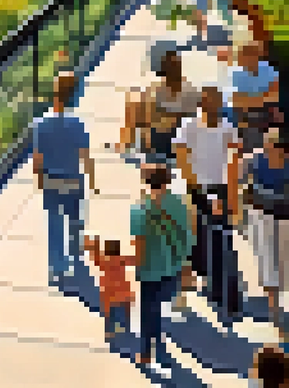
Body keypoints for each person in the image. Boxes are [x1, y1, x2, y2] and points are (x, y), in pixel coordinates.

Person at [175, 86, 244, 321]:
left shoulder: (228, 129)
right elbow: (182, 159)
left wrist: (232, 200)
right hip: (197, 190)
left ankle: (225, 296)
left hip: (220, 190)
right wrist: (198, 190)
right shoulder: (189, 126)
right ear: (202, 104)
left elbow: (234, 164)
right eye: (208, 101)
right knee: (199, 241)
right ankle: (205, 283)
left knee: (222, 242)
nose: (213, 106)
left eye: (216, 101)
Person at [32, 71, 99, 282]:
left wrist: (39, 180)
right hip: (72, 180)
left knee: (54, 222)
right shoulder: (77, 124)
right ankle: (75, 260)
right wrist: (92, 181)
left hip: (52, 180)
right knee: (74, 221)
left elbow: (37, 159)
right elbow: (85, 157)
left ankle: (57, 265)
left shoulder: (41, 124)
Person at [131, 161, 196, 376]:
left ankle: (145, 352)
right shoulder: (178, 204)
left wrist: (137, 267)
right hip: (172, 266)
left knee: (147, 311)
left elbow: (138, 242)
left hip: (149, 268)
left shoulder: (139, 208)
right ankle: (159, 350)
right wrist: (185, 264)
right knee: (157, 309)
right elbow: (188, 236)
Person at [122, 50, 201, 164]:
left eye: (175, 65)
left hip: (178, 134)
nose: (172, 70)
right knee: (134, 102)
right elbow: (151, 116)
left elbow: (189, 118)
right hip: (159, 132)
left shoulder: (189, 90)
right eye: (169, 66)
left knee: (163, 121)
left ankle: (131, 145)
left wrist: (168, 117)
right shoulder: (157, 89)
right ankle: (128, 144)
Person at [250, 128, 289, 339]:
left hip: (284, 221)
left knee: (282, 266)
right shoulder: (256, 160)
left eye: (271, 146)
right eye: (266, 145)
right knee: (269, 264)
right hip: (263, 218)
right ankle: (275, 313)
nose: (267, 149)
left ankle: (278, 307)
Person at [233, 40, 284, 155]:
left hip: (268, 113)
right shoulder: (236, 74)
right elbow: (237, 102)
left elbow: (274, 96)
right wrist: (263, 96)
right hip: (246, 116)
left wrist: (249, 99)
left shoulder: (268, 70)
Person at [85, 236, 137, 341]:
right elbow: (136, 260)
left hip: (110, 293)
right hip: (124, 292)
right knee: (126, 311)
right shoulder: (122, 260)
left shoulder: (104, 261)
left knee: (109, 313)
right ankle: (126, 327)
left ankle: (109, 331)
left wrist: (95, 245)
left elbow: (95, 258)